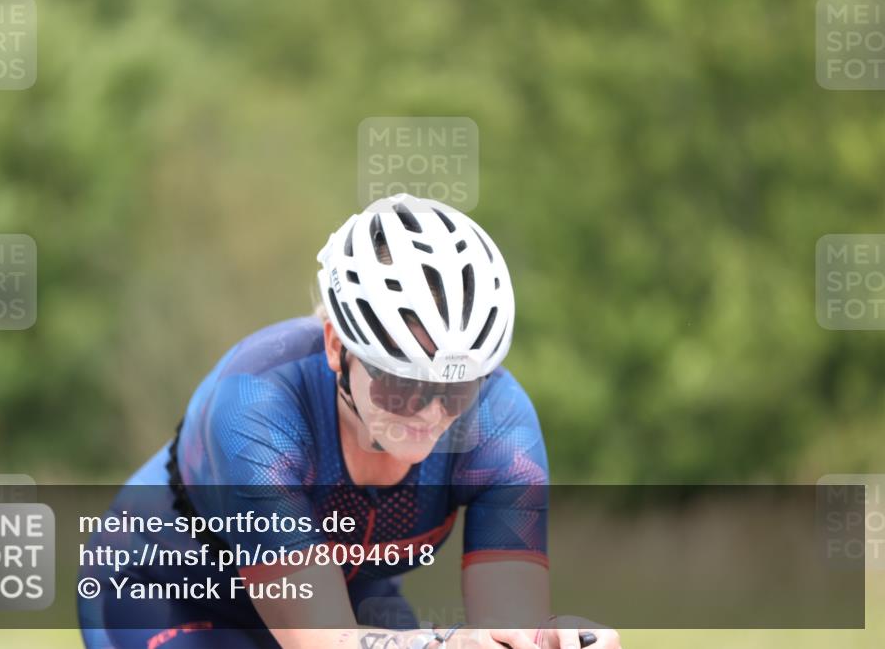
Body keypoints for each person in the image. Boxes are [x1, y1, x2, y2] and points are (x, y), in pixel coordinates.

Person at [78, 193, 621, 649]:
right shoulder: (258, 404)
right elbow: (321, 642)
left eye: (457, 388)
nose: (430, 411)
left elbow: (506, 631)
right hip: (166, 593)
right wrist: (445, 643)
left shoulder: (501, 425)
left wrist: (549, 640)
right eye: (402, 383)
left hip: (353, 604)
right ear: (337, 346)